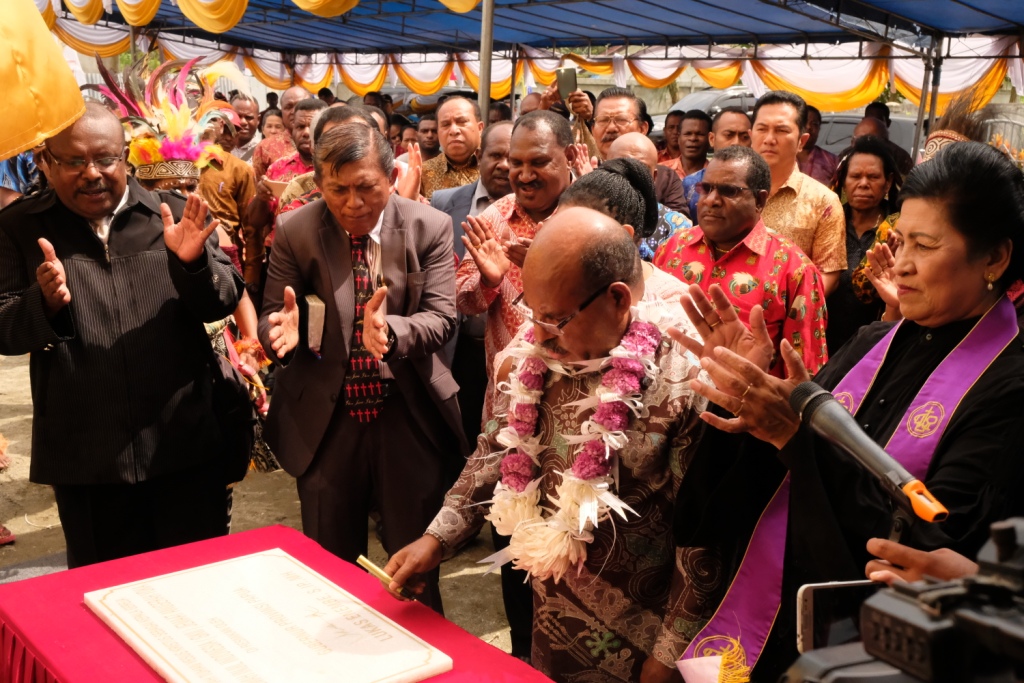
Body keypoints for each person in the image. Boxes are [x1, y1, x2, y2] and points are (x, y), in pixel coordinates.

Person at [672, 141, 1024, 680]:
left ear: (995, 258)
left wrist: (792, 434)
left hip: (876, 641)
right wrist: (749, 402)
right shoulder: (869, 341)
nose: (900, 264)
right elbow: (782, 472)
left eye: (925, 246)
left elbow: (921, 548)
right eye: (899, 240)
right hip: (782, 602)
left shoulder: (1009, 385)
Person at [386, 206, 723, 683]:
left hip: (645, 639)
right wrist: (436, 537)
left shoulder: (684, 383)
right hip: (550, 616)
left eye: (555, 319)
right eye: (533, 313)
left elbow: (704, 541)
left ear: (617, 298)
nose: (537, 334)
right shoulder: (536, 354)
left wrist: (668, 656)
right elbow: (495, 452)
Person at [0, 103, 244, 568]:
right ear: (44, 163)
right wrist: (43, 303)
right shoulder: (19, 228)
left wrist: (193, 264)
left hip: (185, 448)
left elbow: (225, 297)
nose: (92, 173)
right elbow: (2, 325)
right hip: (88, 462)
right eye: (73, 161)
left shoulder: (171, 214)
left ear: (126, 156)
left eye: (105, 158)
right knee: (106, 596)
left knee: (197, 588)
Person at [257, 121, 467, 614]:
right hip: (327, 424)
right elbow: (275, 314)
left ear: (391, 176)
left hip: (407, 417)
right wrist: (278, 336)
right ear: (319, 184)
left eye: (365, 187)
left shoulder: (428, 226)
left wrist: (394, 334)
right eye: (337, 190)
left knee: (414, 571)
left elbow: (442, 318)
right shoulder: (295, 229)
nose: (352, 202)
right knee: (328, 569)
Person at [655, 145, 828, 377]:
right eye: (706, 189)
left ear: (760, 200)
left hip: (744, 407)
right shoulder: (672, 248)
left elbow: (806, 374)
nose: (711, 200)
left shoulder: (795, 270)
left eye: (728, 191)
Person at [455, 110, 573, 422]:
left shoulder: (591, 217)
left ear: (570, 156)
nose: (522, 174)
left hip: (578, 397)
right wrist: (488, 282)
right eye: (516, 162)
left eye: (538, 162)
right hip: (507, 400)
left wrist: (554, 272)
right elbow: (464, 302)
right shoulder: (493, 218)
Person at [753, 90, 846, 296]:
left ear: (802, 141)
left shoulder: (823, 200)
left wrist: (786, 310)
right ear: (751, 134)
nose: (769, 139)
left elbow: (828, 275)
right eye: (761, 129)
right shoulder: (730, 190)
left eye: (781, 130)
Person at [825, 135, 901, 353]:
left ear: (888, 182)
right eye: (855, 176)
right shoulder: (828, 222)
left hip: (874, 345)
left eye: (873, 177)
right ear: (843, 181)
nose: (863, 184)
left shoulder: (899, 229)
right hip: (825, 341)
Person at [246, 98, 328, 291]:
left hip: (326, 259)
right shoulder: (278, 168)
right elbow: (255, 223)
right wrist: (261, 198)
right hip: (282, 260)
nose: (306, 132)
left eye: (312, 126)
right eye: (300, 126)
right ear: (291, 129)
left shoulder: (336, 168)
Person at [605, 132, 692, 260]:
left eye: (641, 169)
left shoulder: (676, 227)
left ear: (654, 177)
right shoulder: (585, 217)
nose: (631, 177)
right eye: (621, 166)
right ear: (604, 168)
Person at [681, 106, 753, 220]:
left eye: (744, 137)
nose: (736, 142)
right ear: (711, 139)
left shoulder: (757, 184)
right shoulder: (689, 185)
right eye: (729, 135)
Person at [420, 97, 483, 200]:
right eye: (445, 124)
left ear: (479, 128)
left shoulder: (495, 168)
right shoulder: (423, 173)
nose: (453, 130)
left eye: (461, 122)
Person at [252, 85, 308, 179]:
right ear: (281, 110)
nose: (294, 111)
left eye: (300, 105)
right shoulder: (265, 147)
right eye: (288, 107)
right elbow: (257, 186)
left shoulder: (325, 143)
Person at [592, 86, 649, 160]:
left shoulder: (660, 171)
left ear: (642, 129)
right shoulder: (583, 171)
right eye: (603, 120)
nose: (611, 128)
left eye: (621, 120)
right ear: (593, 131)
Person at [663, 109, 711, 184]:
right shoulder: (661, 171)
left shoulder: (717, 174)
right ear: (679, 138)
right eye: (688, 134)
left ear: (710, 139)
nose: (693, 138)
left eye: (700, 134)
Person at [797, 105, 839, 186]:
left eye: (814, 124)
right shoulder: (782, 158)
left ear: (819, 128)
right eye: (805, 122)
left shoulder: (831, 161)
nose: (809, 127)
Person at [230, 94, 261, 162]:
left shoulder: (264, 152)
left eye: (248, 117)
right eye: (238, 116)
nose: (243, 122)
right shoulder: (219, 148)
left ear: (258, 120)